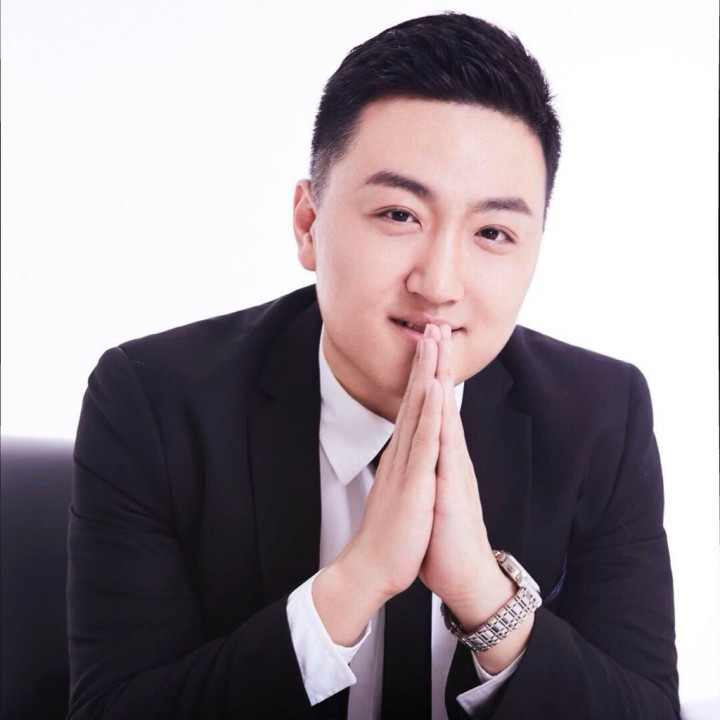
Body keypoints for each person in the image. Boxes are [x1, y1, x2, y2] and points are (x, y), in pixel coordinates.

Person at [67, 12, 679, 720]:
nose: (439, 283)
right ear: (309, 224)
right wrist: (357, 582)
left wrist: (486, 596)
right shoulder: (153, 401)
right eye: (398, 215)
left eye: (492, 231)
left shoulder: (602, 415)